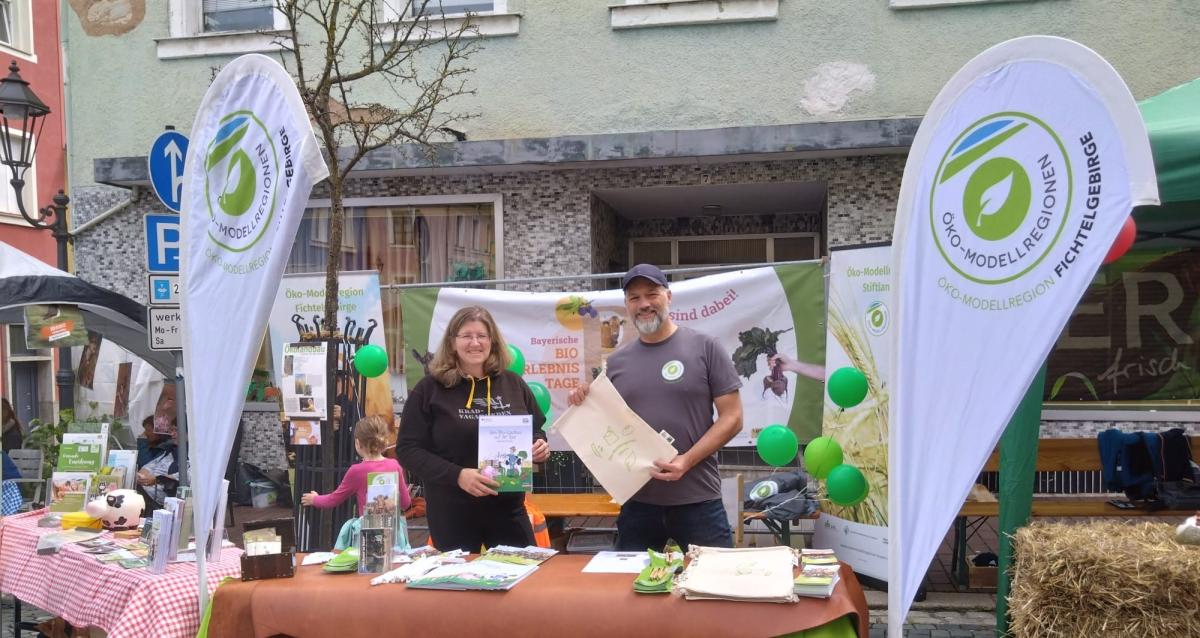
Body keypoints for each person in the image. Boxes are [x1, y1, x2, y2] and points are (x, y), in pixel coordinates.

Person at [568, 264, 744, 551]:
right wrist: (584, 397)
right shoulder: (617, 362)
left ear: (669, 297)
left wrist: (686, 460)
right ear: (627, 305)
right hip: (638, 503)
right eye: (634, 298)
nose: (644, 304)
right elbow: (606, 422)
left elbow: (733, 417)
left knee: (715, 583)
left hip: (698, 499)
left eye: (652, 294)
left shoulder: (705, 347)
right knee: (631, 590)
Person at [397, 306, 551, 552]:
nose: (475, 343)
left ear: (493, 341)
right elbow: (407, 449)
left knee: (521, 580)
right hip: (451, 512)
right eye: (466, 336)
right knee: (456, 586)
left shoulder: (513, 384)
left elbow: (536, 430)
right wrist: (457, 475)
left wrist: (539, 446)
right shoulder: (429, 389)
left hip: (507, 509)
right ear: (452, 342)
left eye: (482, 335)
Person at [301, 415, 412, 516]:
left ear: (358, 443)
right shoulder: (394, 466)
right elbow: (406, 503)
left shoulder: (357, 471)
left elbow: (334, 499)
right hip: (393, 533)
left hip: (368, 534)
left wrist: (314, 499)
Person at [136, 415, 179, 508]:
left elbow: (185, 475)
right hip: (149, 492)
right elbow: (150, 464)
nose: (173, 434)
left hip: (161, 497)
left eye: (148, 430)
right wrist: (142, 474)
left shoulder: (188, 455)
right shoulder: (169, 450)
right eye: (172, 430)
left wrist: (158, 479)